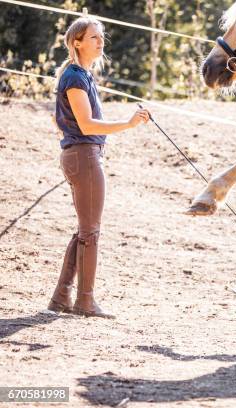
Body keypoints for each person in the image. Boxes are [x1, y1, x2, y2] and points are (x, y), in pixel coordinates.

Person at [47, 16, 150, 318]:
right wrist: (129, 124)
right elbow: (87, 123)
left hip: (81, 155)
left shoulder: (82, 76)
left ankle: (61, 298)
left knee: (84, 229)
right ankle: (85, 301)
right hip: (83, 157)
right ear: (76, 42)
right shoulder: (76, 77)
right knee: (90, 232)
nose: (100, 42)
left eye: (101, 36)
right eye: (94, 37)